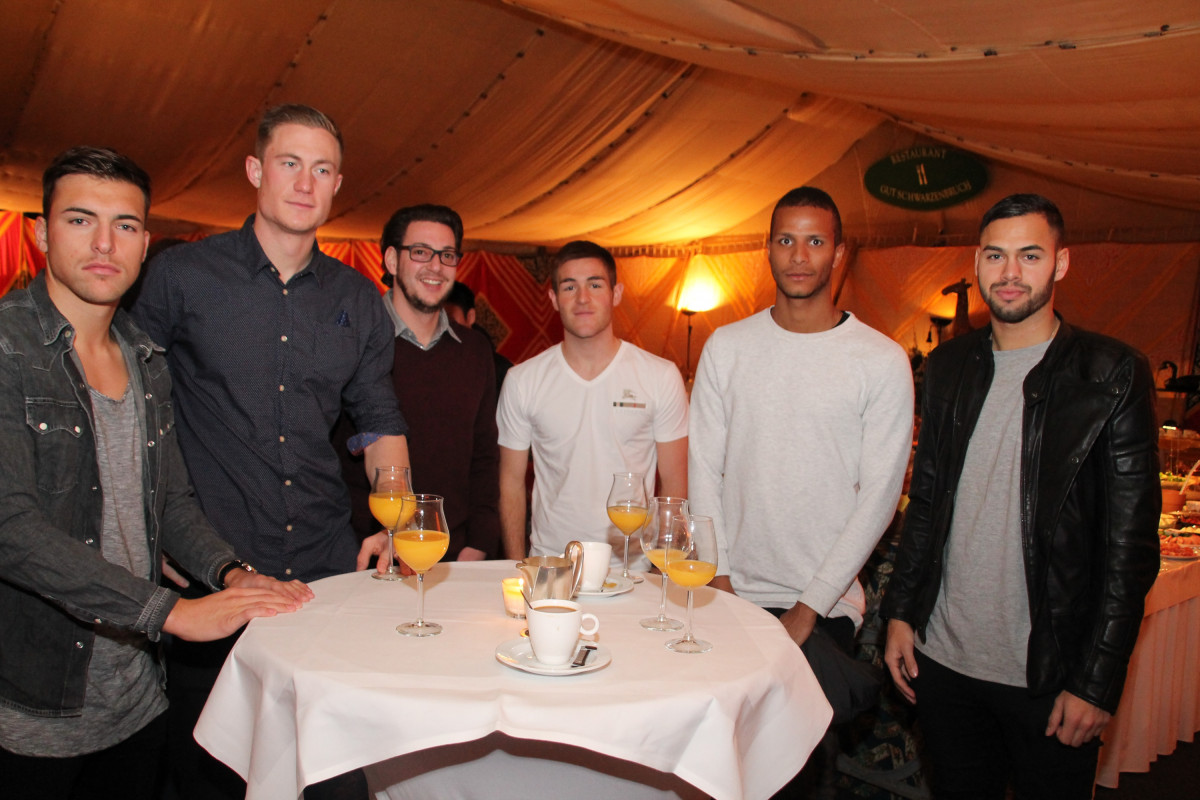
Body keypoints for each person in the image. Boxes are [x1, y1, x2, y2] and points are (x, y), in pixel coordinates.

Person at [0, 146, 312, 800]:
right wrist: (172, 612)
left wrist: (231, 572)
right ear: (41, 233)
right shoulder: (8, 350)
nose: (105, 243)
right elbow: (12, 531)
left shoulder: (145, 358)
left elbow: (170, 502)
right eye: (80, 220)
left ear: (145, 245)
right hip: (30, 712)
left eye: (126, 225)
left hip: (139, 700)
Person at [132, 104, 408, 800]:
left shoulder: (358, 300)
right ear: (256, 170)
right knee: (210, 776)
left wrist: (396, 517)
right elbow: (131, 405)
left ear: (338, 184)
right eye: (290, 163)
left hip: (324, 571)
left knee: (330, 773)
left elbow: (377, 420)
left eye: (322, 169)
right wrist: (149, 528)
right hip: (212, 571)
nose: (305, 183)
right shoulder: (182, 276)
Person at [881, 194, 1161, 799]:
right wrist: (901, 613)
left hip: (1050, 675)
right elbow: (926, 503)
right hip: (944, 660)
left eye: (1029, 255)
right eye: (995, 256)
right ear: (977, 264)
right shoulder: (949, 365)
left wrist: (1096, 682)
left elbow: (1130, 549)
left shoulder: (1110, 373)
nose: (1010, 273)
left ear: (1061, 263)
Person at [689, 186, 913, 650]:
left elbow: (880, 496)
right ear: (768, 249)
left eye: (815, 242)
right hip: (729, 593)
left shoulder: (881, 360)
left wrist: (810, 606)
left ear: (838, 253)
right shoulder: (726, 348)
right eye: (786, 240)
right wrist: (721, 580)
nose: (799, 256)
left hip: (827, 606)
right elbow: (704, 471)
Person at [496, 240, 688, 560]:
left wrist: (660, 572)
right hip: (551, 563)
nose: (582, 298)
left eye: (595, 285)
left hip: (633, 567)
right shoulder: (522, 380)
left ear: (616, 294)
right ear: (554, 299)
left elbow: (675, 485)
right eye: (569, 287)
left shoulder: (660, 376)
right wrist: (518, 565)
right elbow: (510, 483)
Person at [347, 205, 501, 568]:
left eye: (447, 255)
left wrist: (479, 542)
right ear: (391, 260)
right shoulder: (353, 343)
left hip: (455, 557)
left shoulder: (475, 349)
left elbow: (484, 455)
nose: (436, 266)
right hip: (368, 556)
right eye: (420, 252)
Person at [445, 280, 513, 393]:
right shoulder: (429, 362)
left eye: (450, 321)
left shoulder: (498, 370)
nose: (442, 328)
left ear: (470, 317)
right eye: (436, 321)